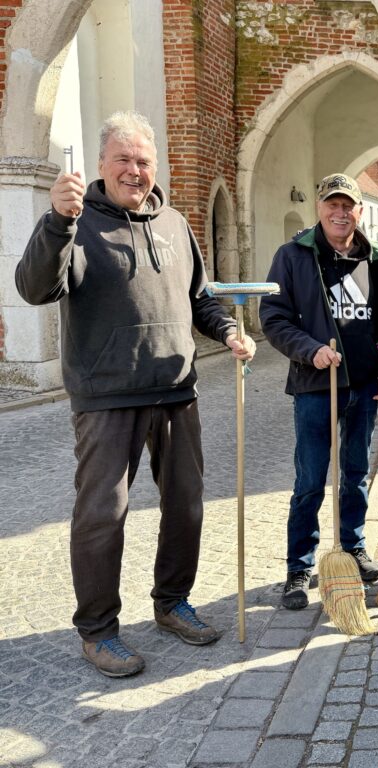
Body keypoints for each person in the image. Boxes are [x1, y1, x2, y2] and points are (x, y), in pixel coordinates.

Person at [15, 111, 255, 678]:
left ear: (156, 166)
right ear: (101, 164)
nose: (134, 170)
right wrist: (57, 221)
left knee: (186, 504)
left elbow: (200, 298)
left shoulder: (175, 223)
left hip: (175, 391)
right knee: (103, 515)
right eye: (122, 159)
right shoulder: (74, 222)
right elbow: (34, 288)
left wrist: (228, 331)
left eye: (143, 160)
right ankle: (98, 631)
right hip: (105, 396)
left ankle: (172, 602)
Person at [260, 173, 378, 610]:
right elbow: (273, 317)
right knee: (310, 479)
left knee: (355, 473)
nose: (340, 213)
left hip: (362, 386)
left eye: (348, 205)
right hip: (315, 386)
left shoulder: (375, 258)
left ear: (360, 210)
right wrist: (310, 350)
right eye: (332, 205)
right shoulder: (293, 256)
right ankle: (299, 566)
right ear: (319, 208)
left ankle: (353, 548)